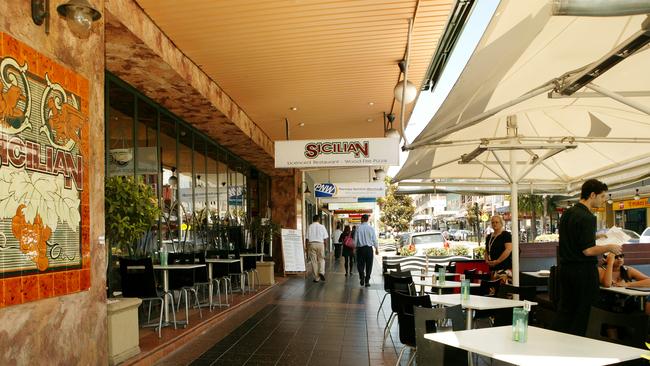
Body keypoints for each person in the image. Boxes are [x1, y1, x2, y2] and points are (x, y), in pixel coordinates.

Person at [554, 179, 622, 336]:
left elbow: (575, 238)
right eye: (602, 196)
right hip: (583, 273)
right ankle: (579, 351)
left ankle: (558, 346)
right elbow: (587, 250)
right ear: (593, 195)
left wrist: (597, 235)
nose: (604, 200)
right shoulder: (588, 217)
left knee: (566, 311)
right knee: (583, 313)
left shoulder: (568, 214)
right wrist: (609, 247)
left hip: (565, 270)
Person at [485, 215, 512, 284]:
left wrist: (497, 261)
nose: (494, 224)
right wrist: (487, 260)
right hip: (492, 269)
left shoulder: (506, 235)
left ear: (501, 223)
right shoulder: (489, 236)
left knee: (503, 292)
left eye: (497, 222)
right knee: (493, 292)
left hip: (503, 268)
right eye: (493, 222)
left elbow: (508, 249)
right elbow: (486, 250)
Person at [354, 214, 379, 287]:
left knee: (360, 265)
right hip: (369, 249)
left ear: (362, 219)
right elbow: (374, 239)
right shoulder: (371, 228)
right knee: (369, 265)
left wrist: (354, 248)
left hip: (361, 249)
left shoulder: (358, 228)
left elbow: (355, 240)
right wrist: (376, 249)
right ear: (367, 219)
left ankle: (362, 277)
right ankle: (367, 281)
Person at [305, 215, 329, 283]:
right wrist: (325, 246)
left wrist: (306, 247)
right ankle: (321, 272)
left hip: (312, 244)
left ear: (313, 220)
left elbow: (307, 238)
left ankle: (316, 278)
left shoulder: (309, 226)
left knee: (314, 261)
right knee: (321, 259)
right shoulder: (322, 226)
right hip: (320, 244)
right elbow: (325, 238)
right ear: (319, 219)